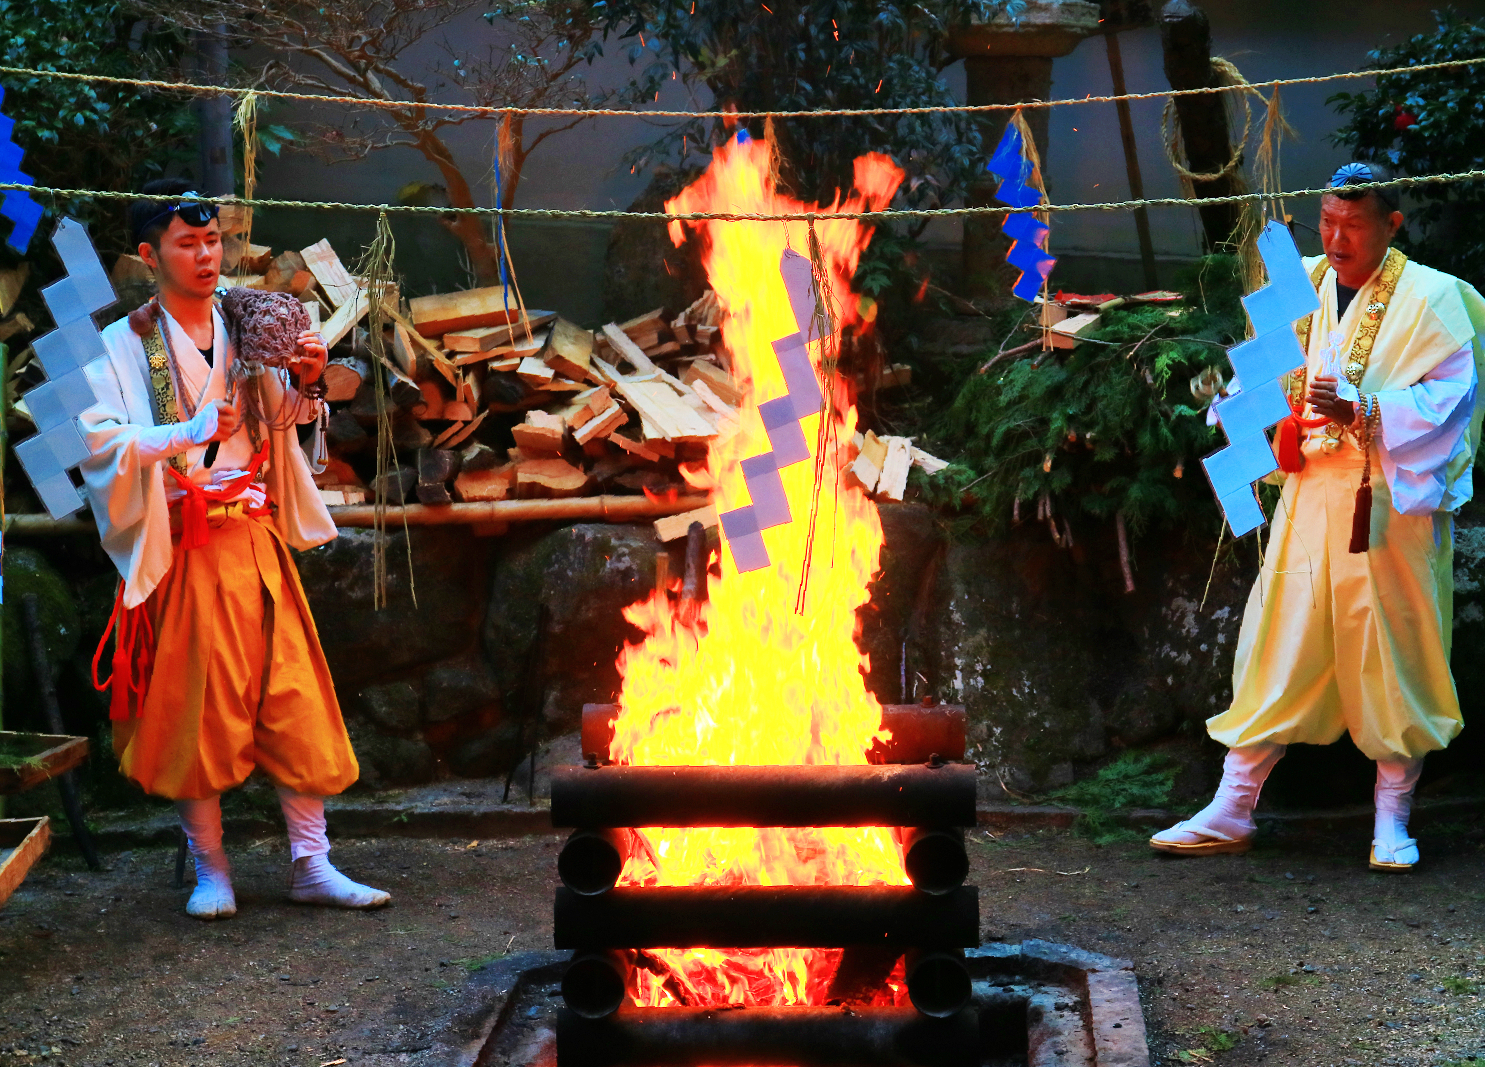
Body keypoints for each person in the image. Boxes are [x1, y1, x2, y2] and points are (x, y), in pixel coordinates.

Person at [1151, 162, 1485, 870]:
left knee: (1393, 648)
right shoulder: (1298, 282)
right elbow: (1263, 377)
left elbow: (1453, 399)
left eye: (1353, 225)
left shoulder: (1434, 298)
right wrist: (1241, 408)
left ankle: (1391, 818)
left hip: (1386, 498)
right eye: (1328, 222)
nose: (1336, 239)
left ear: (1392, 225)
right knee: (1280, 635)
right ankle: (1231, 805)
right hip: (1307, 492)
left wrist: (1365, 409)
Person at [80, 177, 389, 918]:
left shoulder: (248, 320)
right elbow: (100, 443)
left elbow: (284, 418)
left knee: (294, 697)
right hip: (187, 544)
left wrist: (307, 379)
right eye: (187, 243)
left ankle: (312, 862)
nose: (206, 256)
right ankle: (211, 869)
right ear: (149, 255)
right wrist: (183, 434)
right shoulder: (123, 345)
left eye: (212, 240)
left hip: (254, 537)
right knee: (200, 712)